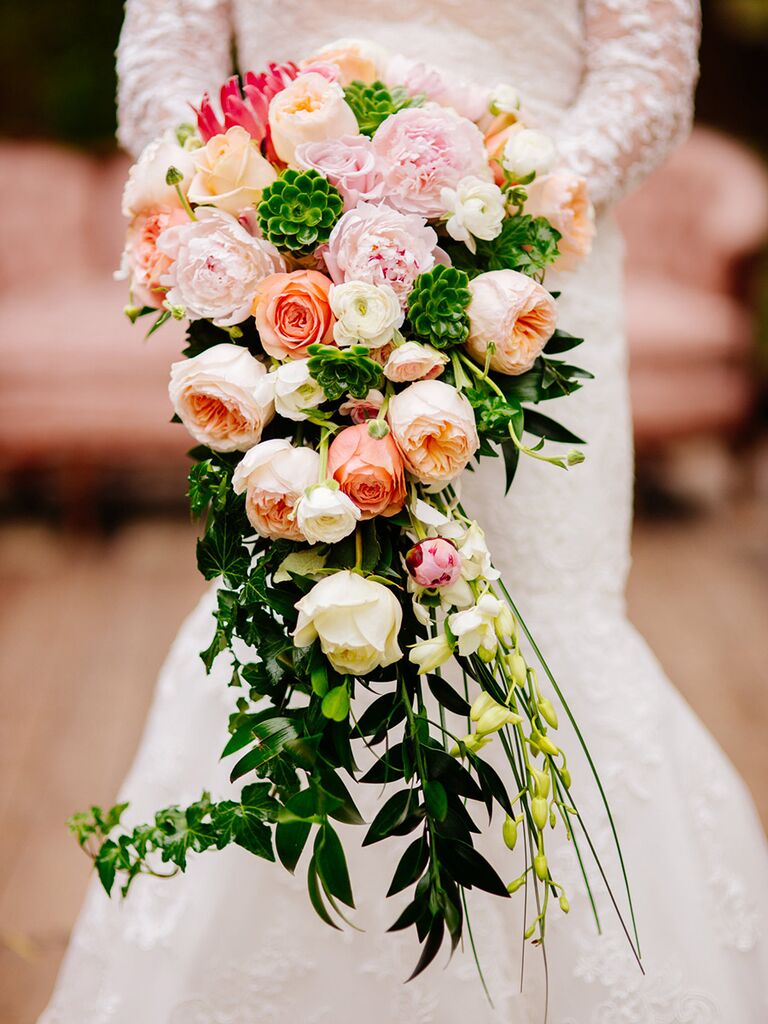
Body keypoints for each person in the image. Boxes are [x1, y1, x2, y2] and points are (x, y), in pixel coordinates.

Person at [40, 2, 768, 1022]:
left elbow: (646, 79)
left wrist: (494, 212)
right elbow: (161, 72)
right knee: (308, 599)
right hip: (290, 288)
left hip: (529, 289)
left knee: (545, 619)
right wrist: (268, 206)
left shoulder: (519, 234)